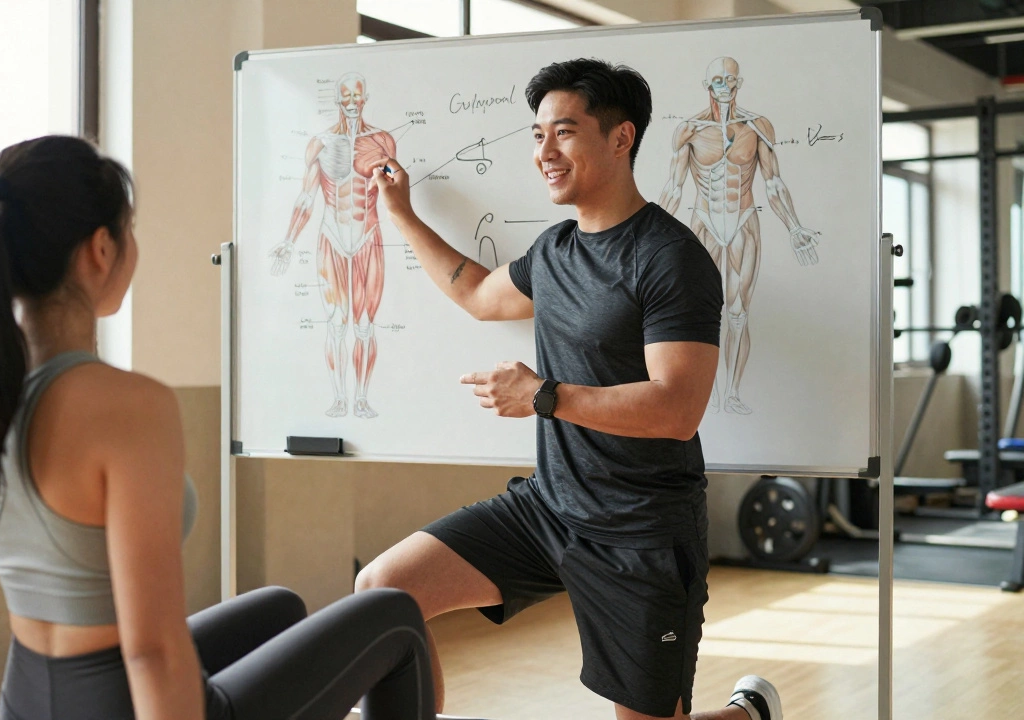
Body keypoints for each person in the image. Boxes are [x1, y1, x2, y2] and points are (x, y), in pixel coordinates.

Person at [0, 135, 435, 720]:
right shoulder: (129, 407)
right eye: (130, 230)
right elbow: (150, 651)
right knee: (395, 616)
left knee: (278, 610)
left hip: (27, 699)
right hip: (122, 703)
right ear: (100, 250)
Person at [356, 59, 783, 720]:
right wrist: (401, 212)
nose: (544, 153)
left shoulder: (671, 259)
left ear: (620, 139)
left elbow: (677, 408)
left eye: (563, 133)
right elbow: (474, 293)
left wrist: (545, 395)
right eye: (536, 136)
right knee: (384, 590)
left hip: (641, 532)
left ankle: (748, 715)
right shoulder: (554, 253)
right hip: (549, 508)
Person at [658, 56, 820, 415]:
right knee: (699, 313)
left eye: (731, 80)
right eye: (718, 80)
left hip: (744, 219)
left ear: (739, 83)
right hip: (703, 222)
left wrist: (794, 226)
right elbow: (673, 188)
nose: (725, 87)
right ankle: (709, 395)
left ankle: (731, 393)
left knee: (738, 313)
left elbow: (773, 182)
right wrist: (640, 237)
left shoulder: (758, 127)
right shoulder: (688, 129)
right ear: (707, 85)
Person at [269, 72, 396, 419]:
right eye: (346, 97)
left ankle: (362, 399)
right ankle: (340, 398)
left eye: (358, 96)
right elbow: (307, 197)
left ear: (365, 98)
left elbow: (395, 191)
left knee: (365, 325)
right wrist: (288, 241)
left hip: (369, 238)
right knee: (336, 324)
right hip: (332, 239)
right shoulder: (320, 143)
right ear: (338, 100)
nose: (352, 103)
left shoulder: (382, 141)